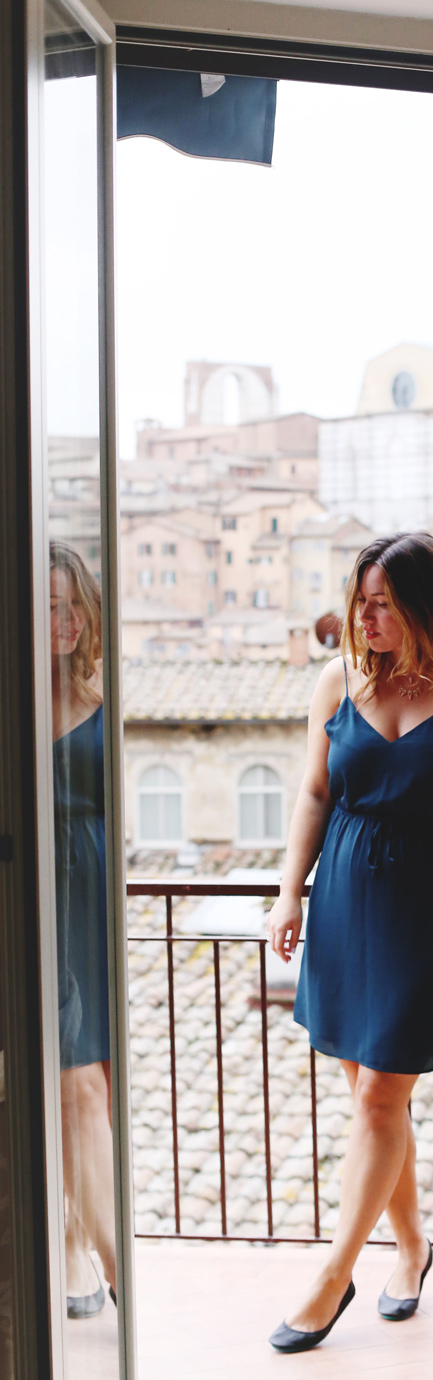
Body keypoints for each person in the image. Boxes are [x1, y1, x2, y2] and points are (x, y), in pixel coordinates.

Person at [266, 532, 433, 1352]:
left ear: (419, 605)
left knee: (379, 1099)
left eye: (382, 603)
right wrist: (286, 893)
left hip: (422, 908)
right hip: (342, 902)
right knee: (377, 1100)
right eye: (359, 601)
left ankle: (334, 1275)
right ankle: (411, 1249)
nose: (364, 617)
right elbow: (312, 792)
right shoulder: (337, 679)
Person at [50, 541, 117, 1318]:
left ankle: (80, 1245)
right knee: (70, 1088)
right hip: (38, 893)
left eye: (72, 605)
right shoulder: (15, 695)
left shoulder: (105, 695)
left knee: (88, 1087)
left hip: (90, 901)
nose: (62, 621)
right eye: (48, 607)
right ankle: (104, 1258)